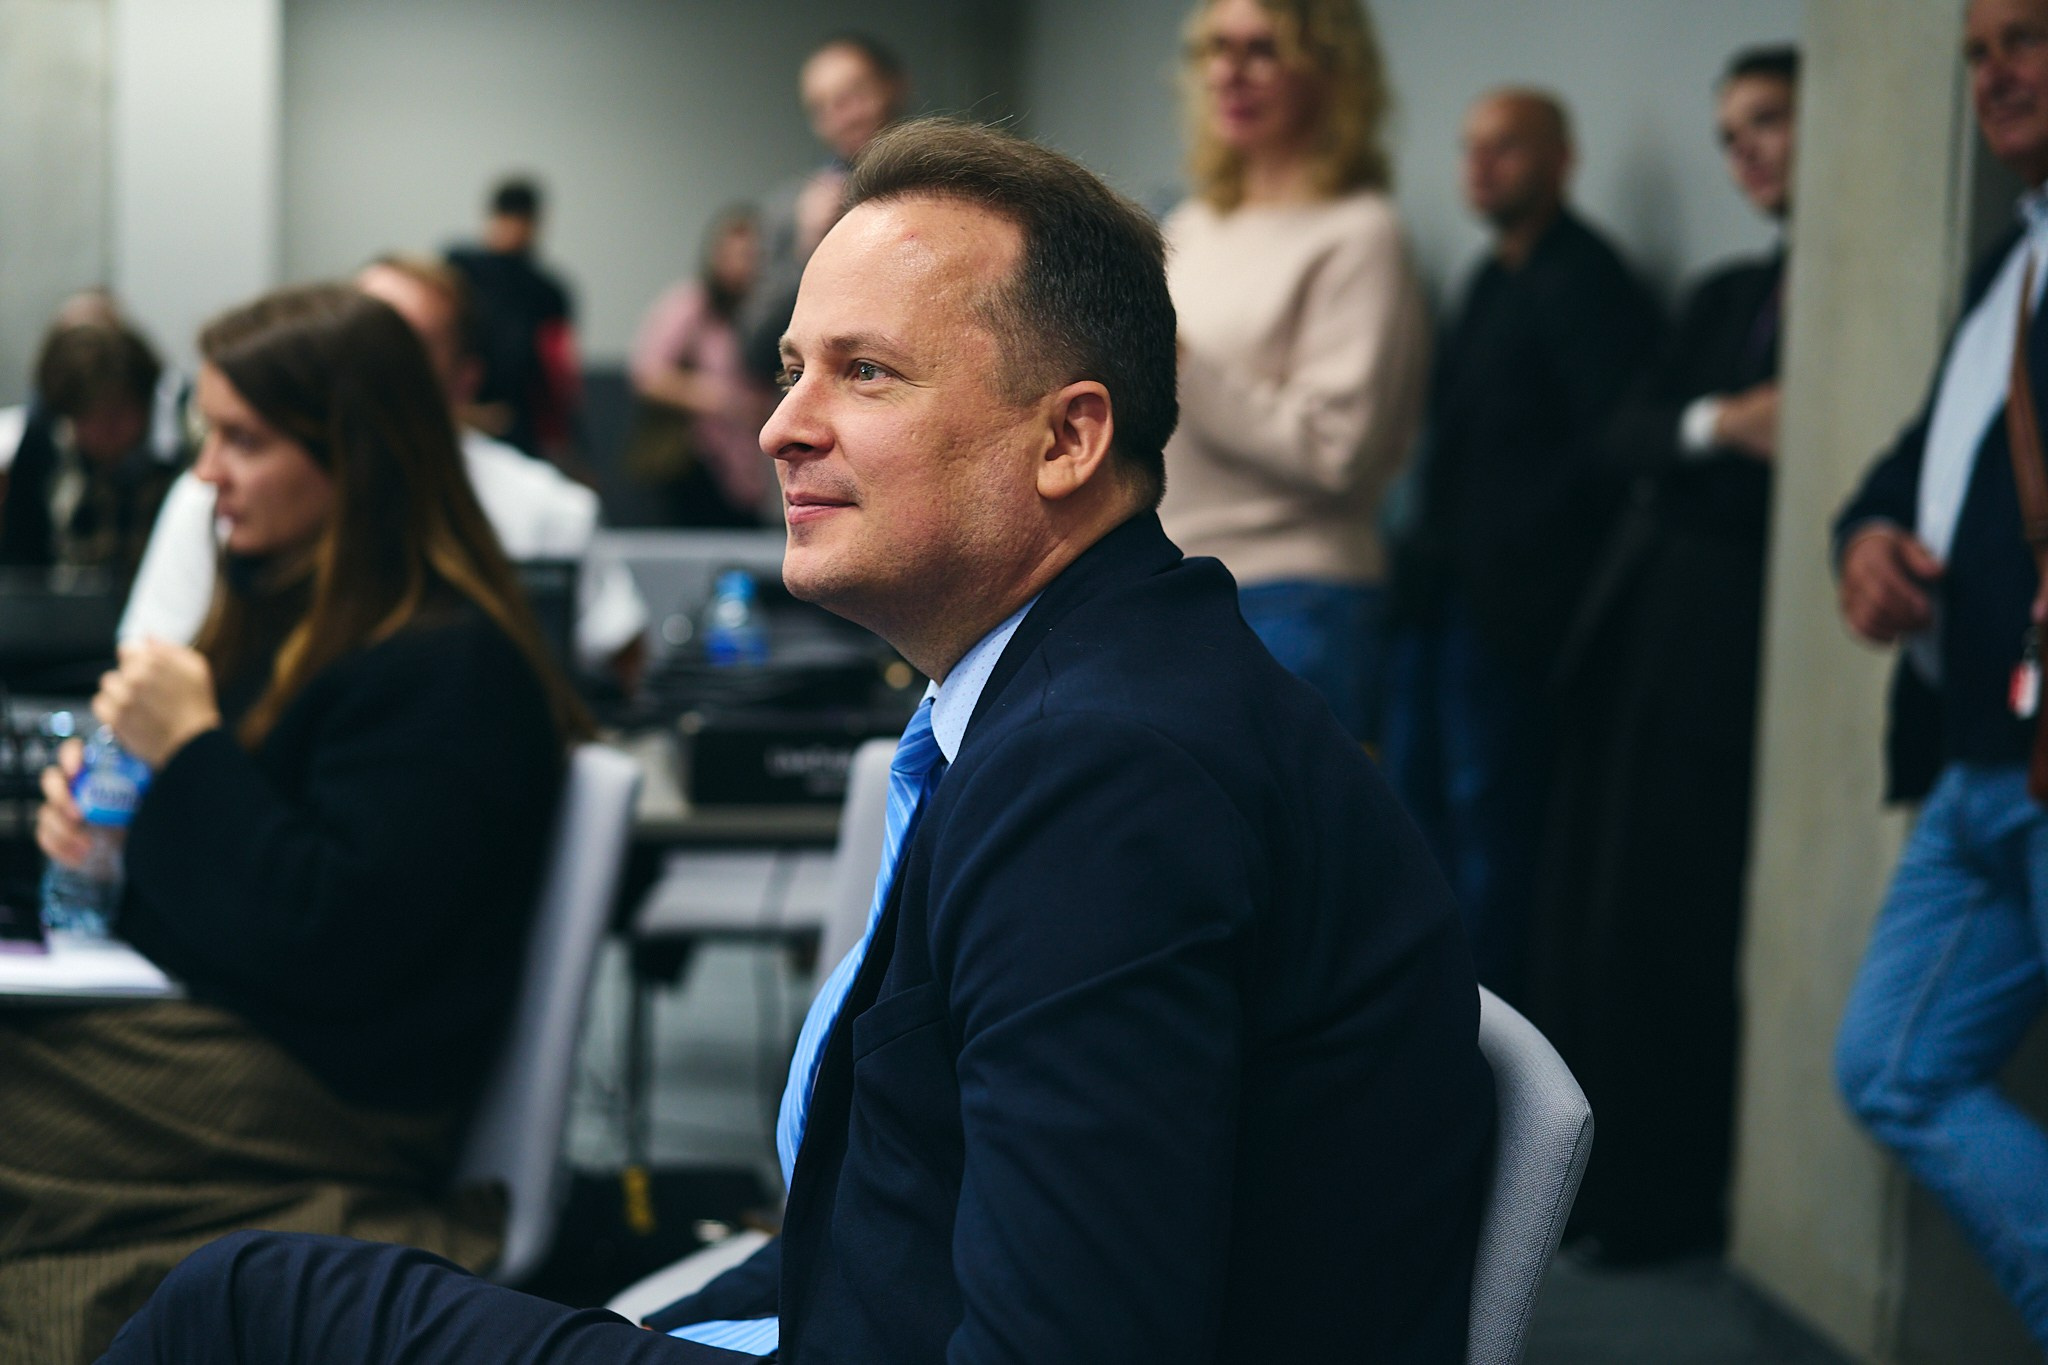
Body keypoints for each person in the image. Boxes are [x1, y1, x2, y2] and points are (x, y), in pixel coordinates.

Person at [103, 118, 1493, 1365]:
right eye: (788, 370)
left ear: (1068, 441)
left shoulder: (1107, 774)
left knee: (237, 1306)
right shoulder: (1104, 685)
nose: (778, 427)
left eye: (865, 374)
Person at [0, 283, 584, 1363]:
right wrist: (106, 846)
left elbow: (327, 940)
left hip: (332, 1095)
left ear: (353, 456)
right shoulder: (280, 610)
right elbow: (236, 896)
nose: (206, 472)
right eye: (206, 434)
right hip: (232, 1037)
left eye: (243, 440)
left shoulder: (453, 668)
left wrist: (190, 755)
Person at [1527, 46, 1798, 1267]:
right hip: (1648, 650)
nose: (1744, 152)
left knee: (1693, 930)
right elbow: (1618, 439)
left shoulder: (1858, 293)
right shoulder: (1723, 292)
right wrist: (1722, 424)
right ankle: (1616, 1196)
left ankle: (1671, 1201)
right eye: (1729, 132)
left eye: (1770, 124)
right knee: (1616, 918)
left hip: (1755, 662)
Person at [1831, 0, 2048, 1343]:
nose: (1994, 74)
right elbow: (1906, 470)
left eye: (2025, 37)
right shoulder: (2011, 268)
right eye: (1974, 53)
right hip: (1978, 759)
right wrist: (1861, 538)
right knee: (1893, 1065)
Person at [1384, 88, 1660, 1000]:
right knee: (1418, 827)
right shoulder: (1488, 277)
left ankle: (1491, 1061)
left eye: (1505, 148)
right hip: (1442, 598)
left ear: (1559, 159)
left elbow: (1607, 453)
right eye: (1470, 149)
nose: (1480, 166)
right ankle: (1423, 1030)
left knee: (1489, 834)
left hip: (1514, 619)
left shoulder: (1588, 280)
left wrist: (1526, 575)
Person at [120, 255, 649, 688]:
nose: (363, 363)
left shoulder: (542, 515)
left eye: (400, 343)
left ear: (464, 380)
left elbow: (621, 666)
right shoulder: (219, 509)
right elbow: (148, 678)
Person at [1156, 0, 1428, 741]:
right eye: (1215, 48)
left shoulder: (1359, 234)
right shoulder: (1191, 227)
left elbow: (1336, 452)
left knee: (1271, 853)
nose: (1229, 73)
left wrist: (1177, 357)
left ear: (1329, 73)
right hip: (1172, 583)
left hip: (1294, 603)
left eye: (1262, 50)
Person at [736, 33, 909, 385]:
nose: (839, 117)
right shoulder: (788, 211)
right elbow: (755, 352)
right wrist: (807, 247)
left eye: (852, 95)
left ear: (894, 87)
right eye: (820, 107)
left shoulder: (949, 189)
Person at [627, 205, 777, 525]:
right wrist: (720, 399)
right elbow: (648, 374)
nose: (742, 264)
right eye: (733, 253)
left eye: (751, 255)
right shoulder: (690, 305)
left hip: (749, 461)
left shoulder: (762, 311)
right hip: (693, 459)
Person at [0, 314, 183, 574]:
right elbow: (19, 564)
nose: (98, 435)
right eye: (83, 421)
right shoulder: (45, 437)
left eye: (113, 417)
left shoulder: (182, 445)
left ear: (145, 401)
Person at [447, 176, 581, 463]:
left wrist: (565, 441)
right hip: (456, 416)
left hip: (519, 422)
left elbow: (555, 370)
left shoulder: (547, 290)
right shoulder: (458, 269)